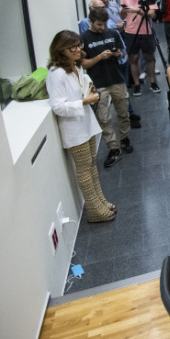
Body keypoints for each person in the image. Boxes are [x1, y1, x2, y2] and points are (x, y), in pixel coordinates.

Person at [45, 30, 117, 223]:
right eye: (73, 47)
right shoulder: (56, 73)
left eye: (79, 45)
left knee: (92, 165)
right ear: (61, 50)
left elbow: (80, 88)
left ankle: (100, 202)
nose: (78, 49)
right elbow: (58, 106)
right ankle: (94, 211)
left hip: (85, 124)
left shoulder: (75, 67)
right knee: (85, 170)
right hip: (74, 128)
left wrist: (88, 90)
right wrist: (84, 102)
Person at [80, 7, 132, 168]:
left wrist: (117, 54)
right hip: (98, 84)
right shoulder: (84, 38)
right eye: (99, 24)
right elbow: (84, 64)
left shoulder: (112, 33)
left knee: (123, 113)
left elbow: (122, 53)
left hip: (117, 78)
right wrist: (99, 57)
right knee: (103, 118)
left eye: (104, 24)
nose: (102, 28)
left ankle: (124, 138)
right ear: (90, 22)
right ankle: (113, 148)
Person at [120, 0, 159, 95]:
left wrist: (137, 11)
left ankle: (153, 82)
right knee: (134, 58)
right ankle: (137, 84)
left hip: (146, 32)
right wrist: (124, 11)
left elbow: (152, 15)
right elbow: (122, 16)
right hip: (130, 32)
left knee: (149, 58)